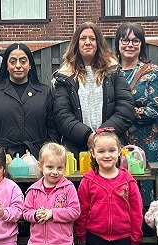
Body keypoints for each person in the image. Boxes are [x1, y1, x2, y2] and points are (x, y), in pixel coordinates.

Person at [53, 22, 134, 155]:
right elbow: (62, 115)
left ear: (99, 43)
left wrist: (103, 136)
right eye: (83, 38)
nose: (88, 42)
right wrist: (87, 136)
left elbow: (125, 108)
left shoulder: (113, 71)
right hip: (76, 150)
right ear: (76, 43)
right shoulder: (64, 76)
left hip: (110, 149)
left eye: (92, 38)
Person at [0, 43, 58, 157]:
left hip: (36, 157)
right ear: (6, 65)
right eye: (13, 61)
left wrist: (52, 156)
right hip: (0, 159)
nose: (18, 65)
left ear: (30, 65)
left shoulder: (44, 92)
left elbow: (53, 131)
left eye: (23, 61)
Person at [115, 22, 158, 203]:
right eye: (125, 40)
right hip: (117, 143)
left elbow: (154, 110)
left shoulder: (152, 73)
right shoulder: (111, 73)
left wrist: (120, 114)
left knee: (146, 191)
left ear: (141, 44)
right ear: (118, 44)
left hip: (146, 143)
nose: (130, 45)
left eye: (135, 41)